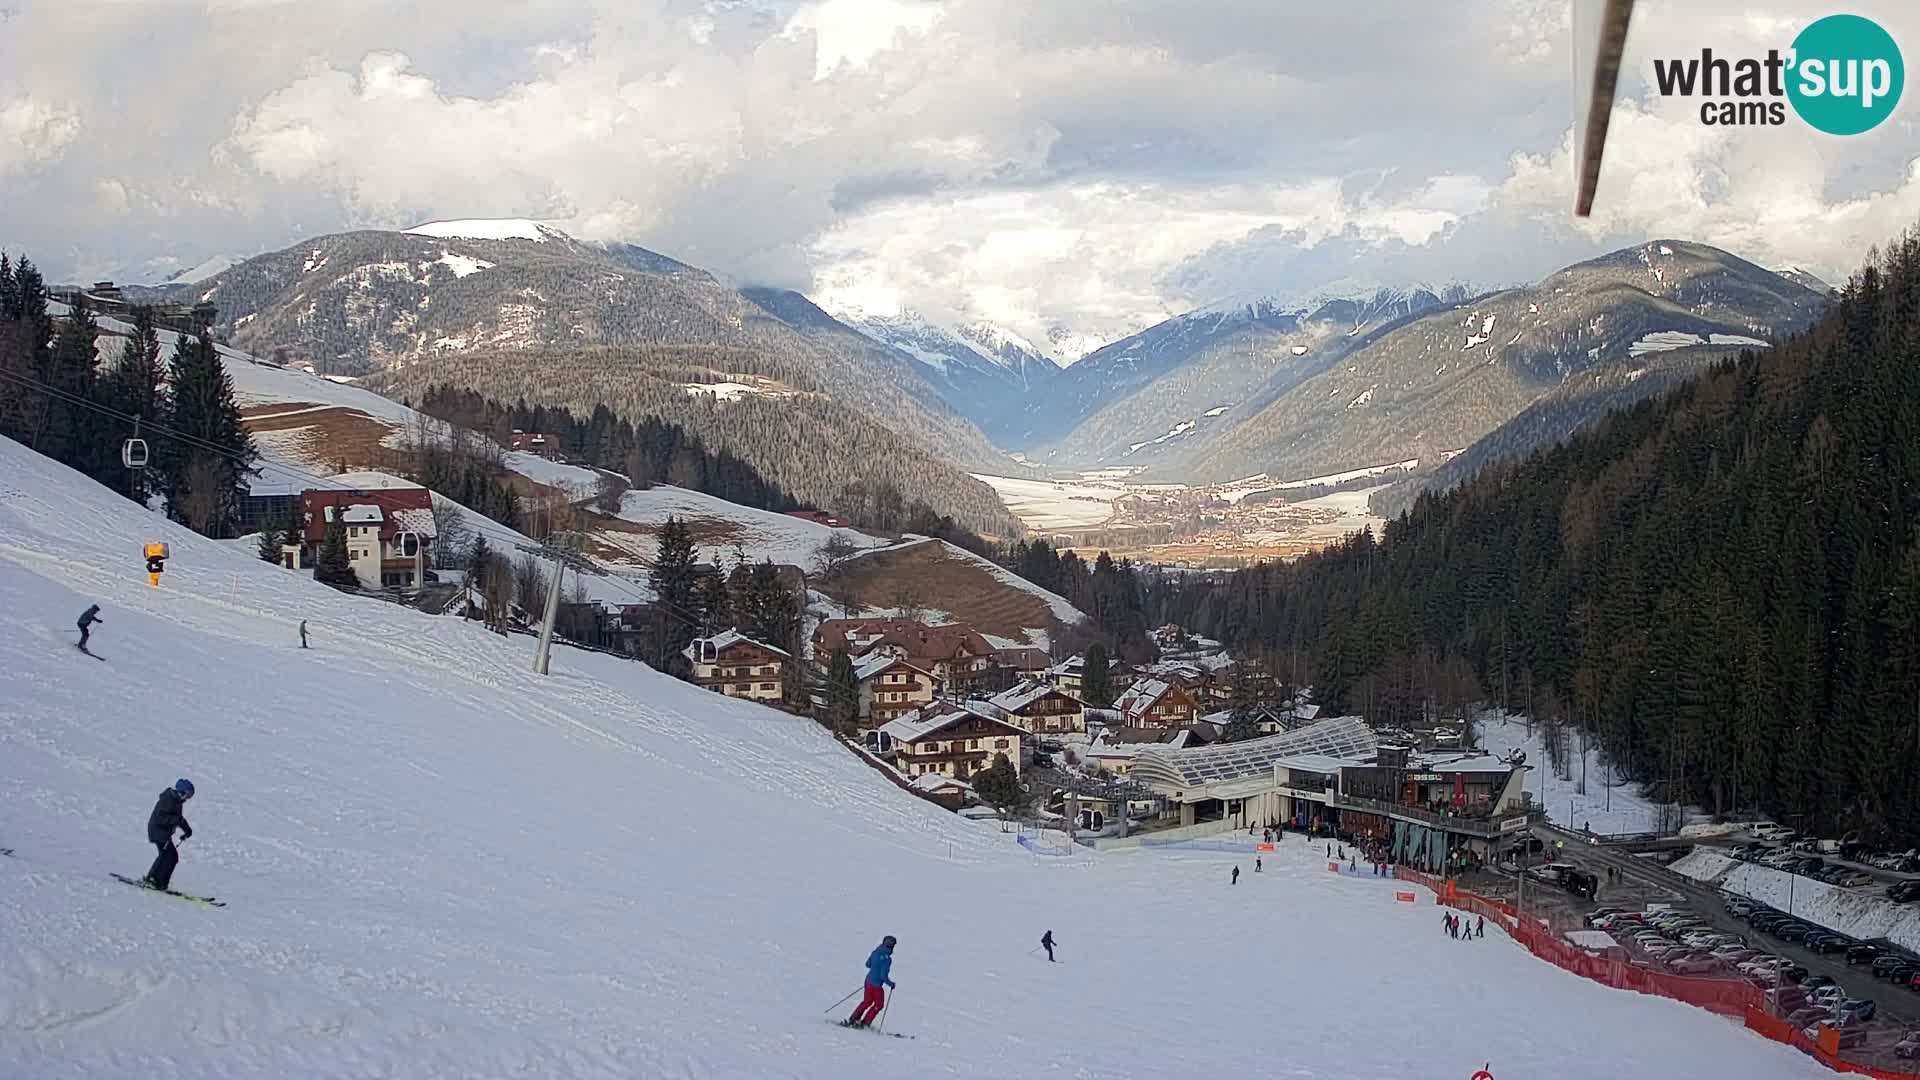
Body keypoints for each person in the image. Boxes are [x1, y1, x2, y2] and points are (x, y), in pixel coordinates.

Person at [143, 778, 194, 890]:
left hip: (163, 832)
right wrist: (176, 820)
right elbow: (161, 817)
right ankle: (154, 880)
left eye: (190, 796)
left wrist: (187, 830)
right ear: (181, 792)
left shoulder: (177, 802)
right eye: (188, 795)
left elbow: (178, 819)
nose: (188, 799)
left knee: (169, 856)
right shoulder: (168, 799)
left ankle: (160, 881)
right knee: (168, 856)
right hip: (157, 830)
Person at [846, 935, 897, 1028]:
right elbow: (883, 976)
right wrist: (891, 984)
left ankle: (853, 1018)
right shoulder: (887, 959)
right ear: (892, 946)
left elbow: (868, 964)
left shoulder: (875, 952)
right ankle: (865, 1023)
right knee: (879, 1004)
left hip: (868, 981)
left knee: (867, 1001)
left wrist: (875, 969)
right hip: (876, 986)